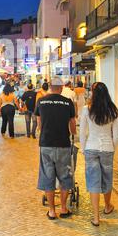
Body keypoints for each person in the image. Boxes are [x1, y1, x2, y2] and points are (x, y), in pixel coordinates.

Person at [35, 76, 76, 220]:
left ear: (50, 86)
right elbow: (72, 123)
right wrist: (73, 133)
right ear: (62, 87)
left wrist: (43, 131)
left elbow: (38, 123)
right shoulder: (67, 102)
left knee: (48, 176)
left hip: (46, 144)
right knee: (64, 177)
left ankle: (52, 211)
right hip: (63, 144)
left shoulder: (41, 101)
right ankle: (64, 208)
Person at [80, 82, 118, 227]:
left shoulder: (87, 109)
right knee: (107, 178)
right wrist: (112, 148)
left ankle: (96, 217)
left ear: (93, 93)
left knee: (93, 181)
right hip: (107, 149)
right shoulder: (113, 111)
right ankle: (107, 206)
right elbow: (116, 136)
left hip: (91, 147)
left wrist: (83, 149)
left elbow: (82, 133)